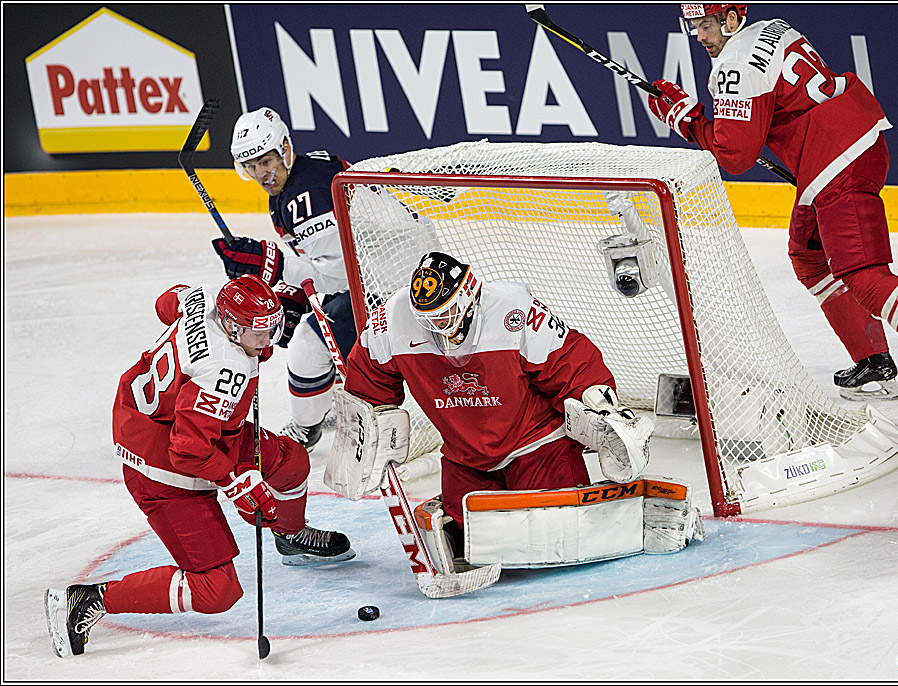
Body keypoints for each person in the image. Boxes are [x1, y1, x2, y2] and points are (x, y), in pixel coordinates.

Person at [647, 4, 898, 425]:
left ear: (729, 21)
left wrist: (685, 119)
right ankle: (872, 360)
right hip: (846, 143)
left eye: (706, 26)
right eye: (695, 28)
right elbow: (782, 108)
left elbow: (735, 154)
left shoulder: (734, 66)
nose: (701, 37)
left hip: (837, 160)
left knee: (865, 277)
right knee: (809, 256)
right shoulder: (772, 28)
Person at [44, 275, 352, 658]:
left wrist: (243, 332)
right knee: (216, 590)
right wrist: (236, 483)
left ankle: (290, 536)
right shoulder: (225, 372)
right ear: (231, 325)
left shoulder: (204, 300)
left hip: (180, 425)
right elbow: (187, 452)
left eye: (271, 327)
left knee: (292, 462)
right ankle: (89, 600)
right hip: (160, 466)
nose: (269, 339)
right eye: (259, 331)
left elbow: (165, 303)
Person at [340, 252, 664, 567]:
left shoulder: (513, 311)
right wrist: (365, 429)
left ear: (468, 298)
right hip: (465, 455)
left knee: (555, 534)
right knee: (472, 543)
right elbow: (369, 379)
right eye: (428, 319)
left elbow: (569, 360)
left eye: (444, 314)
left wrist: (599, 404)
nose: (437, 326)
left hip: (537, 445)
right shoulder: (390, 321)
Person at [212, 106, 355, 453]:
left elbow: (341, 274)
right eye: (252, 166)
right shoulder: (304, 176)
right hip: (388, 270)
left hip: (385, 283)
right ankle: (340, 394)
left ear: (286, 150)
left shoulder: (305, 197)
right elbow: (333, 266)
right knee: (312, 315)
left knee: (308, 341)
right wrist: (294, 292)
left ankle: (307, 428)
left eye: (267, 160)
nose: (262, 173)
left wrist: (270, 264)